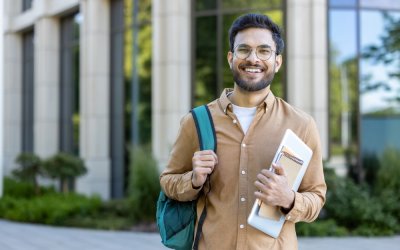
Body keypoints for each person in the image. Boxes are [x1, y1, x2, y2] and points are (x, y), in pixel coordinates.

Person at [160, 13, 326, 250]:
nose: (253, 58)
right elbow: (168, 181)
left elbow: (316, 197)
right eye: (244, 49)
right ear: (231, 58)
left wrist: (289, 199)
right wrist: (193, 180)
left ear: (277, 61)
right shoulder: (196, 121)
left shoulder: (301, 125)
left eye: (264, 51)